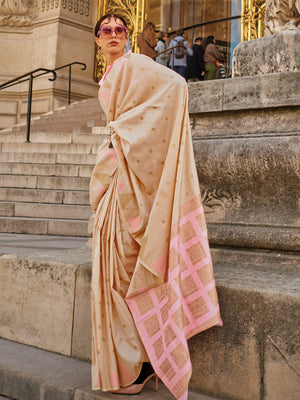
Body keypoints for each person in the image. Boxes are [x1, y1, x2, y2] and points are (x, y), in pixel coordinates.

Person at [91, 13, 222, 400]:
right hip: (118, 180)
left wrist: (124, 134)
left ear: (128, 37)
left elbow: (178, 86)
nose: (113, 34)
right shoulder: (111, 74)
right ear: (97, 40)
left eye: (119, 29)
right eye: (106, 30)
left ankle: (144, 362)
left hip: (132, 182)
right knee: (112, 275)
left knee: (126, 272)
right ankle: (129, 361)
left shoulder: (135, 64)